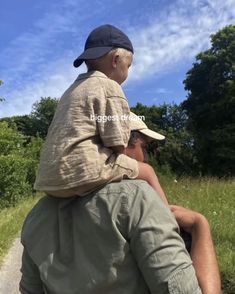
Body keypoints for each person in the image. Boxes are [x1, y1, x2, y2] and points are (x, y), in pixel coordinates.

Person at [20, 117, 221, 294]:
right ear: (120, 143)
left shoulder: (36, 216)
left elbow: (30, 289)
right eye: (144, 146)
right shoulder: (136, 198)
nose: (146, 157)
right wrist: (199, 225)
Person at [33, 24, 168, 205]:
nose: (127, 72)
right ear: (116, 60)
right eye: (128, 65)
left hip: (50, 180)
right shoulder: (110, 87)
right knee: (147, 172)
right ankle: (167, 215)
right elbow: (118, 144)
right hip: (83, 171)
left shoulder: (70, 91)